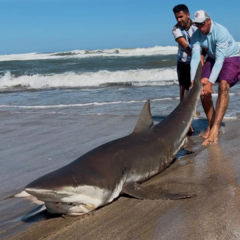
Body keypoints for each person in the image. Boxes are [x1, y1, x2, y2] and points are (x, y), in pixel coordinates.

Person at [190, 10, 240, 145]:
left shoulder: (221, 32)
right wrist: (192, 80)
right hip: (212, 58)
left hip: (231, 56)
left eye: (202, 24)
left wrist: (211, 83)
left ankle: (216, 129)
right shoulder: (196, 36)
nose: (200, 27)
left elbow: (220, 60)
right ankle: (211, 124)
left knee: (223, 85)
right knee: (201, 85)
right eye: (197, 25)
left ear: (209, 21)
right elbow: (195, 59)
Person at [172, 4, 203, 134]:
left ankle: (210, 120)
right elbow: (185, 46)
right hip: (184, 62)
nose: (178, 20)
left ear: (188, 15)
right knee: (184, 92)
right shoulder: (175, 29)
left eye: (181, 16)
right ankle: (187, 125)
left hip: (199, 62)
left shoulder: (197, 26)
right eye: (176, 17)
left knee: (202, 91)